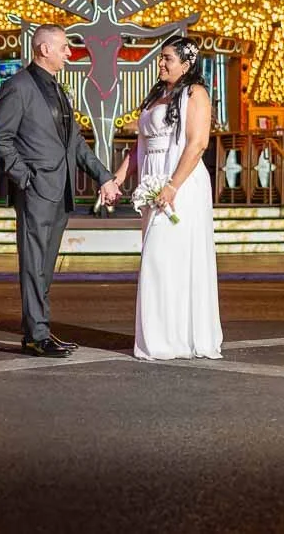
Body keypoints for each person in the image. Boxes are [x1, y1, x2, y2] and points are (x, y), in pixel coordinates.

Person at [0, 24, 115, 358]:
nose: (69, 53)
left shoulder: (59, 89)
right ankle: (37, 334)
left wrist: (103, 176)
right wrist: (24, 176)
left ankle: (38, 330)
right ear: (44, 49)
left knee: (45, 264)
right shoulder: (18, 86)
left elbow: (74, 143)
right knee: (33, 262)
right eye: (63, 48)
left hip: (60, 191)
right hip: (35, 189)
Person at [98, 36, 223, 360]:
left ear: (186, 63)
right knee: (160, 260)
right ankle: (163, 335)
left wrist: (172, 186)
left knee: (163, 258)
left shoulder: (196, 94)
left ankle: (172, 338)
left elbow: (197, 144)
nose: (161, 64)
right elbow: (141, 144)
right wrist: (120, 177)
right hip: (153, 182)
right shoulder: (157, 95)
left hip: (181, 184)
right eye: (161, 58)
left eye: (167, 58)